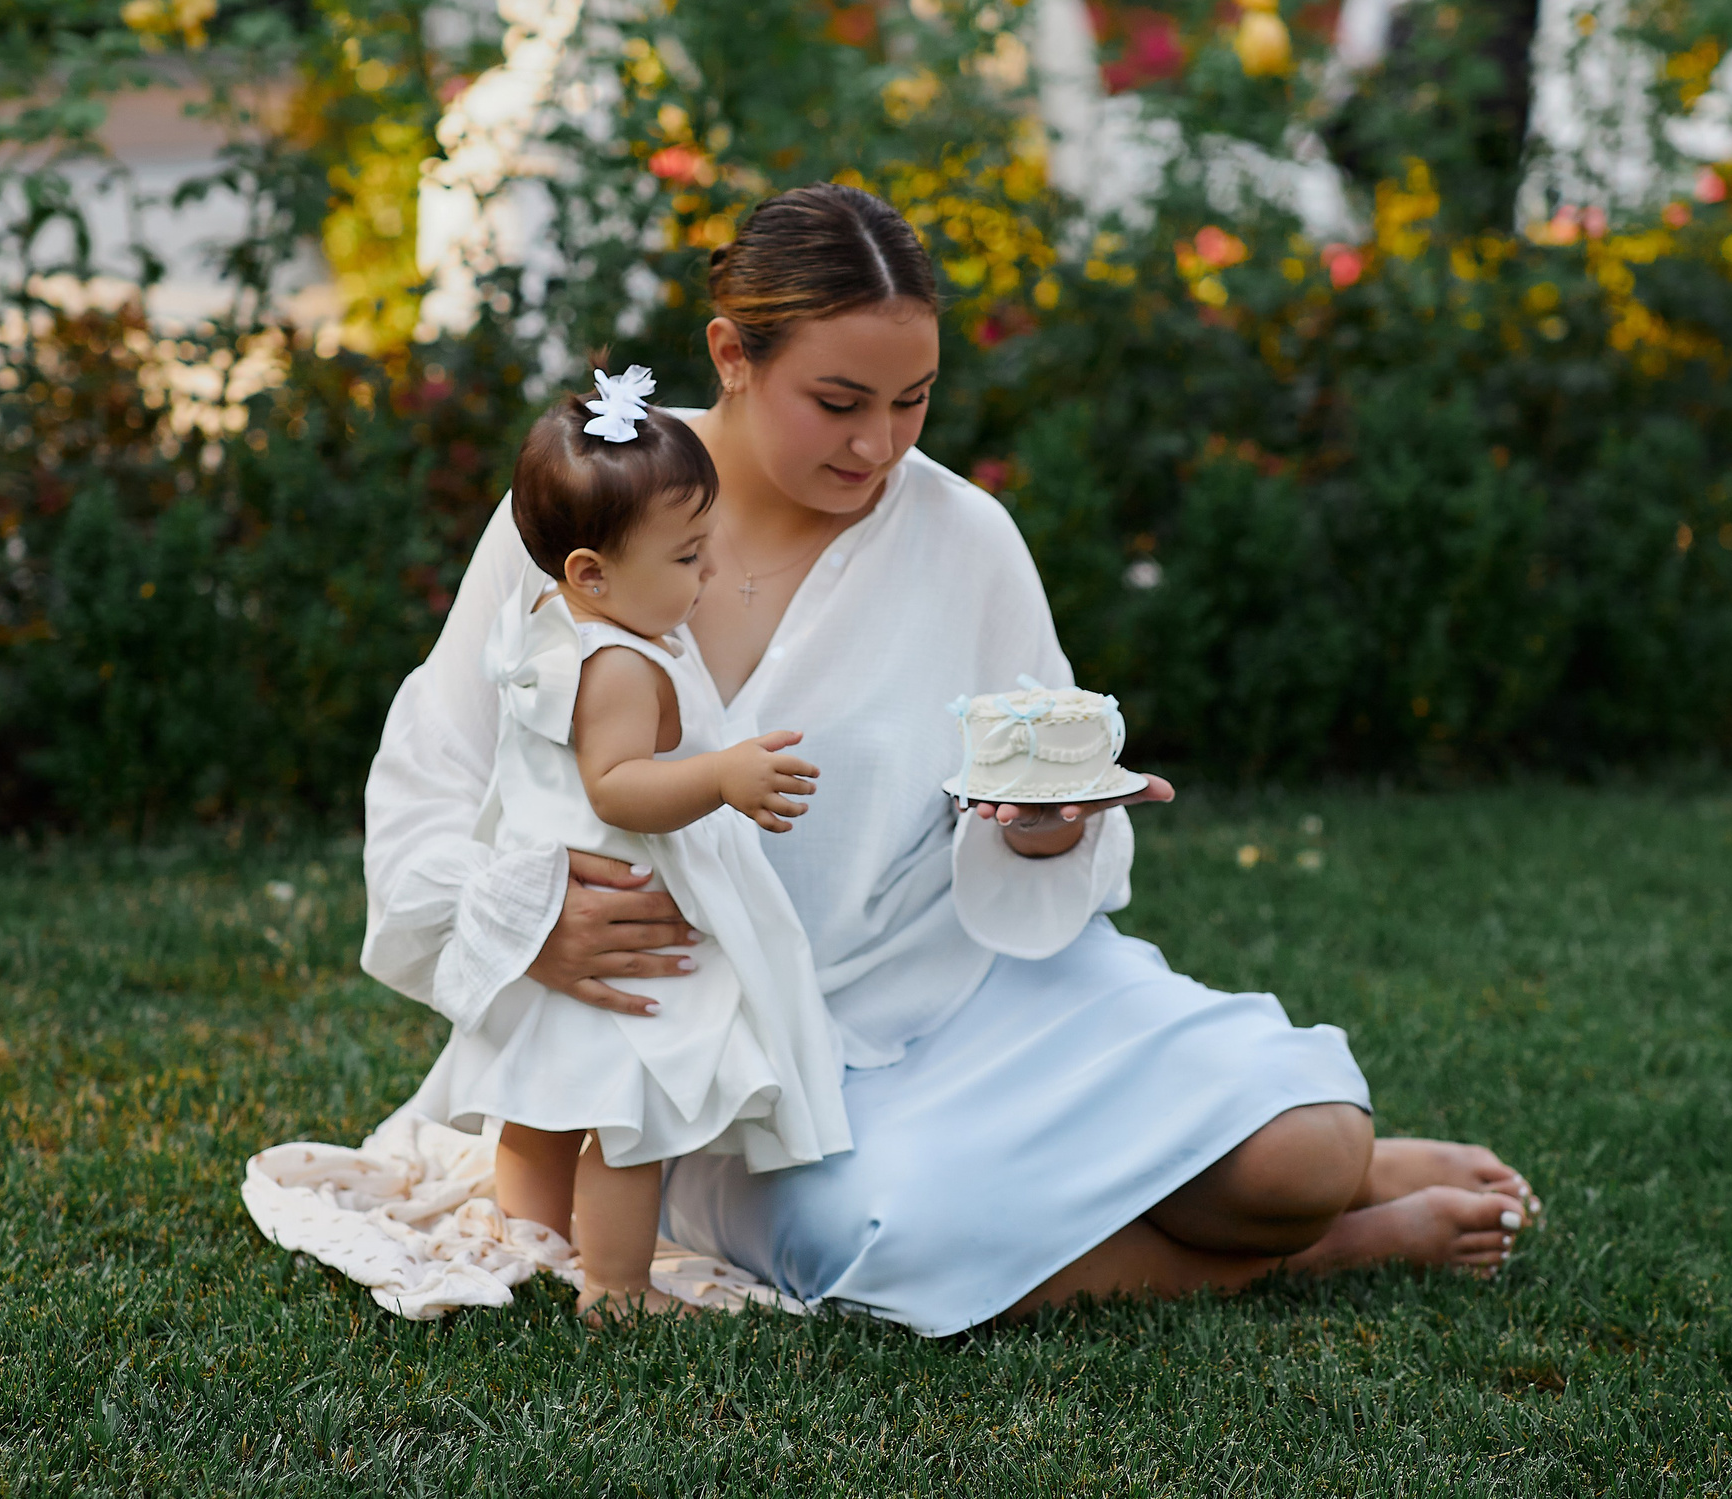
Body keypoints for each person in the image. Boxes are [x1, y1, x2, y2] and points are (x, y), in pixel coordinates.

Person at [362, 183, 1536, 1337]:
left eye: (912, 400)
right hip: (728, 1061)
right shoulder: (577, 528)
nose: (878, 443)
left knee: (1305, 1149)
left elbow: (1031, 792)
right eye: (837, 400)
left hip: (964, 991)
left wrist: (1045, 828)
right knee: (906, 1240)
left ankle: (1327, 1179)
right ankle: (1323, 1251)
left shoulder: (962, 537)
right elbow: (430, 784)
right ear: (731, 352)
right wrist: (527, 920)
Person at [454, 366, 851, 1321]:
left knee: (543, 1099)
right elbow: (617, 787)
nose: (706, 575)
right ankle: (617, 1290)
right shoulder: (623, 662)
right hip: (631, 922)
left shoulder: (549, 623)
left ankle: (532, 1245)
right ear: (590, 570)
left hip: (561, 903)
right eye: (685, 559)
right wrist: (721, 777)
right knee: (630, 1126)